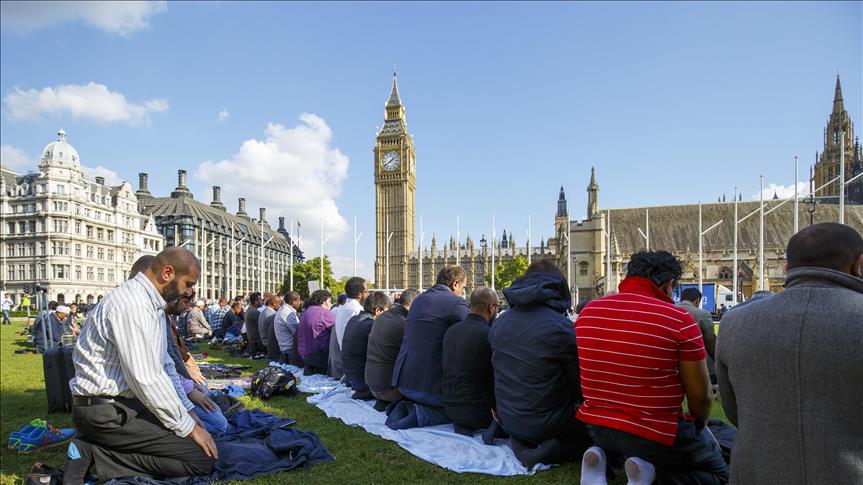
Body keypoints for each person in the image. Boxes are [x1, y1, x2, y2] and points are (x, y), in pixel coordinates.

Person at [716, 223, 863, 484]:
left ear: (787, 267)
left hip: (757, 472)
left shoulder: (734, 322)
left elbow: (733, 408)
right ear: (858, 265)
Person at [63, 248, 216, 482]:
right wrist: (189, 427)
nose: (190, 291)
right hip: (108, 413)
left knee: (199, 438)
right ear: (167, 273)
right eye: (189, 283)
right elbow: (147, 379)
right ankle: (95, 453)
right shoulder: (133, 305)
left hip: (124, 406)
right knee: (200, 459)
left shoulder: (150, 304)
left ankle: (97, 448)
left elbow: (165, 366)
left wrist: (187, 411)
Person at [575, 250, 725, 485]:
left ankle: (602, 460)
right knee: (719, 473)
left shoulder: (588, 313)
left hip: (597, 427)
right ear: (669, 285)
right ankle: (652, 473)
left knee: (625, 433)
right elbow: (701, 397)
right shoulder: (678, 320)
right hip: (654, 433)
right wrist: (697, 424)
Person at [490, 259, 591, 469]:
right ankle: (556, 450)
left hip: (509, 417)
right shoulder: (562, 328)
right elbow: (581, 388)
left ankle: (520, 445)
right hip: (548, 424)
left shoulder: (499, 324)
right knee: (596, 432)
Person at [389, 266, 469, 429]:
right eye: (463, 287)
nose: (463, 292)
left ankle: (406, 407)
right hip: (428, 388)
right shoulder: (456, 303)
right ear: (455, 284)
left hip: (403, 382)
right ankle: (419, 414)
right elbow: (473, 331)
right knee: (466, 410)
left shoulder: (418, 300)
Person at [441, 287, 499, 436]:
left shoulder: (451, 331)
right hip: (480, 410)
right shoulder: (490, 334)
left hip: (450, 408)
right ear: (491, 308)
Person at [365, 289, 418, 405]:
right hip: (389, 390)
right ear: (414, 305)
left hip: (371, 385)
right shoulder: (404, 324)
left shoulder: (381, 318)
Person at [342, 291, 391, 400]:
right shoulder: (371, 325)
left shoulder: (354, 319)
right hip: (362, 380)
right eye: (387, 311)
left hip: (350, 376)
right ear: (378, 310)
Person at [330, 277, 367, 379]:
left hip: (344, 353)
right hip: (354, 358)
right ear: (360, 294)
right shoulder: (357, 309)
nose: (367, 295)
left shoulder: (342, 307)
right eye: (366, 292)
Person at [678, 287, 717, 383]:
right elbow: (710, 340)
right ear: (697, 301)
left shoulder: (670, 311)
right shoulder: (703, 314)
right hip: (696, 362)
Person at [297, 290, 335, 375]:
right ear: (324, 301)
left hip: (304, 354)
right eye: (330, 301)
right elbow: (337, 329)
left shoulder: (307, 311)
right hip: (318, 356)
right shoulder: (324, 313)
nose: (331, 304)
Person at [274, 291, 303, 365]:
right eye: (298, 301)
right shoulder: (287, 312)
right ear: (293, 302)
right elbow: (298, 333)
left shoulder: (284, 309)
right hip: (290, 349)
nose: (300, 303)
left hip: (286, 348)